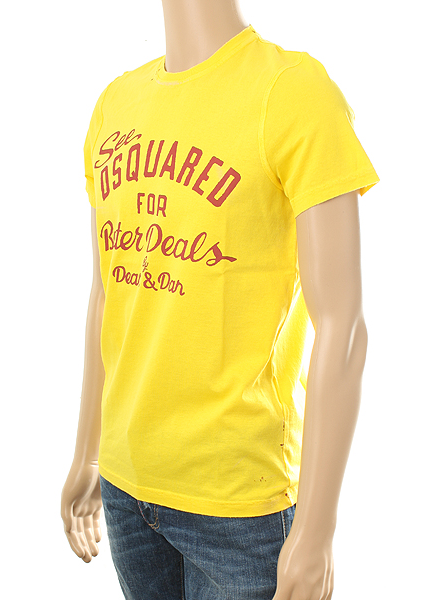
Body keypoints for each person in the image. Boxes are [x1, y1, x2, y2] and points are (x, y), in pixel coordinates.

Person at [61, 1, 380, 598]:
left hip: (239, 505)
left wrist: (316, 531)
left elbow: (344, 327)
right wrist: (89, 455)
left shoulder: (293, 93)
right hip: (127, 487)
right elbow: (107, 293)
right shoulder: (115, 105)